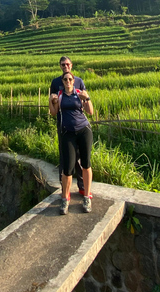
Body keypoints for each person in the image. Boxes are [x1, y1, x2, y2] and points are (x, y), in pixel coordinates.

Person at [49, 72, 94, 215]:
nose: (68, 81)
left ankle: (86, 197)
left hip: (84, 131)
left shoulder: (80, 93)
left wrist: (87, 99)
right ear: (62, 81)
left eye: (70, 79)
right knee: (68, 168)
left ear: (74, 81)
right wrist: (51, 101)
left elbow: (90, 112)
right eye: (65, 79)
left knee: (86, 164)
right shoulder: (60, 95)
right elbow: (53, 113)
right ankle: (65, 198)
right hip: (67, 133)